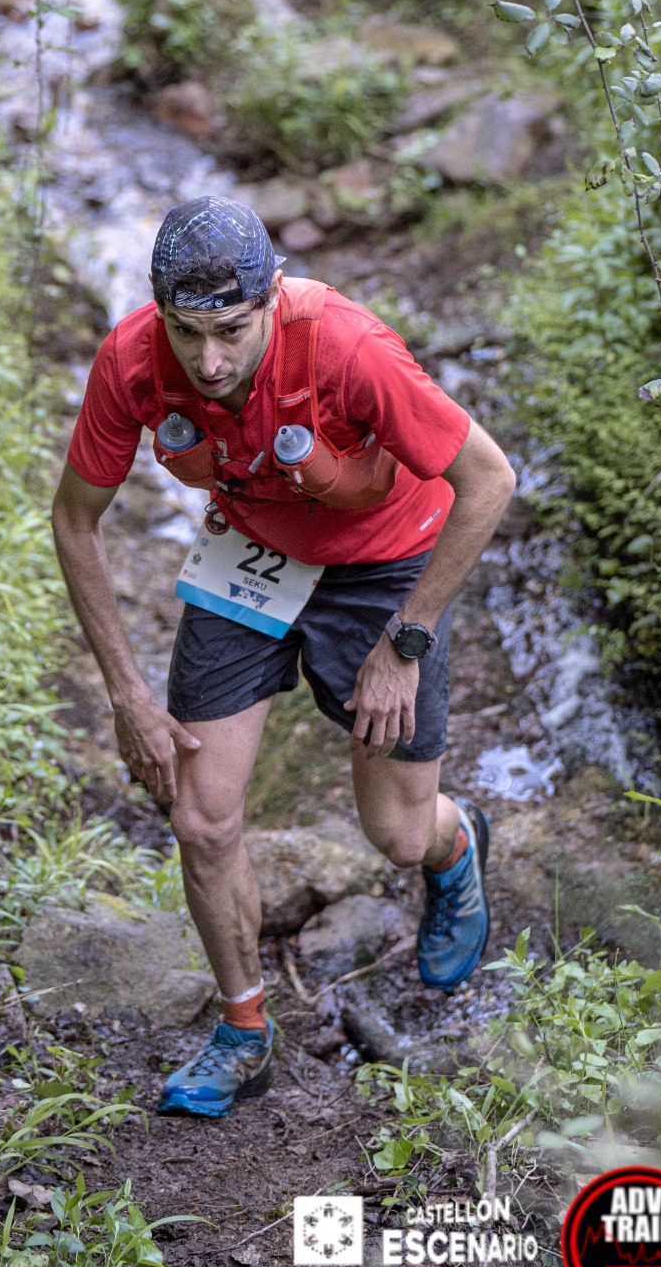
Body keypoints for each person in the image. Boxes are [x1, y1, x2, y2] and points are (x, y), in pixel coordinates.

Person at [51, 196, 516, 1118]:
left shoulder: (347, 348)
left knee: (395, 834)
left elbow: (489, 480)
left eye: (230, 331)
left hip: (386, 566)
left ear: (269, 301)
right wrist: (127, 694)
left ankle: (456, 847)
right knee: (201, 814)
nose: (209, 361)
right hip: (252, 554)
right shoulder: (132, 359)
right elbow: (75, 519)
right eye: (187, 333)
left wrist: (406, 643)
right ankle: (243, 1031)